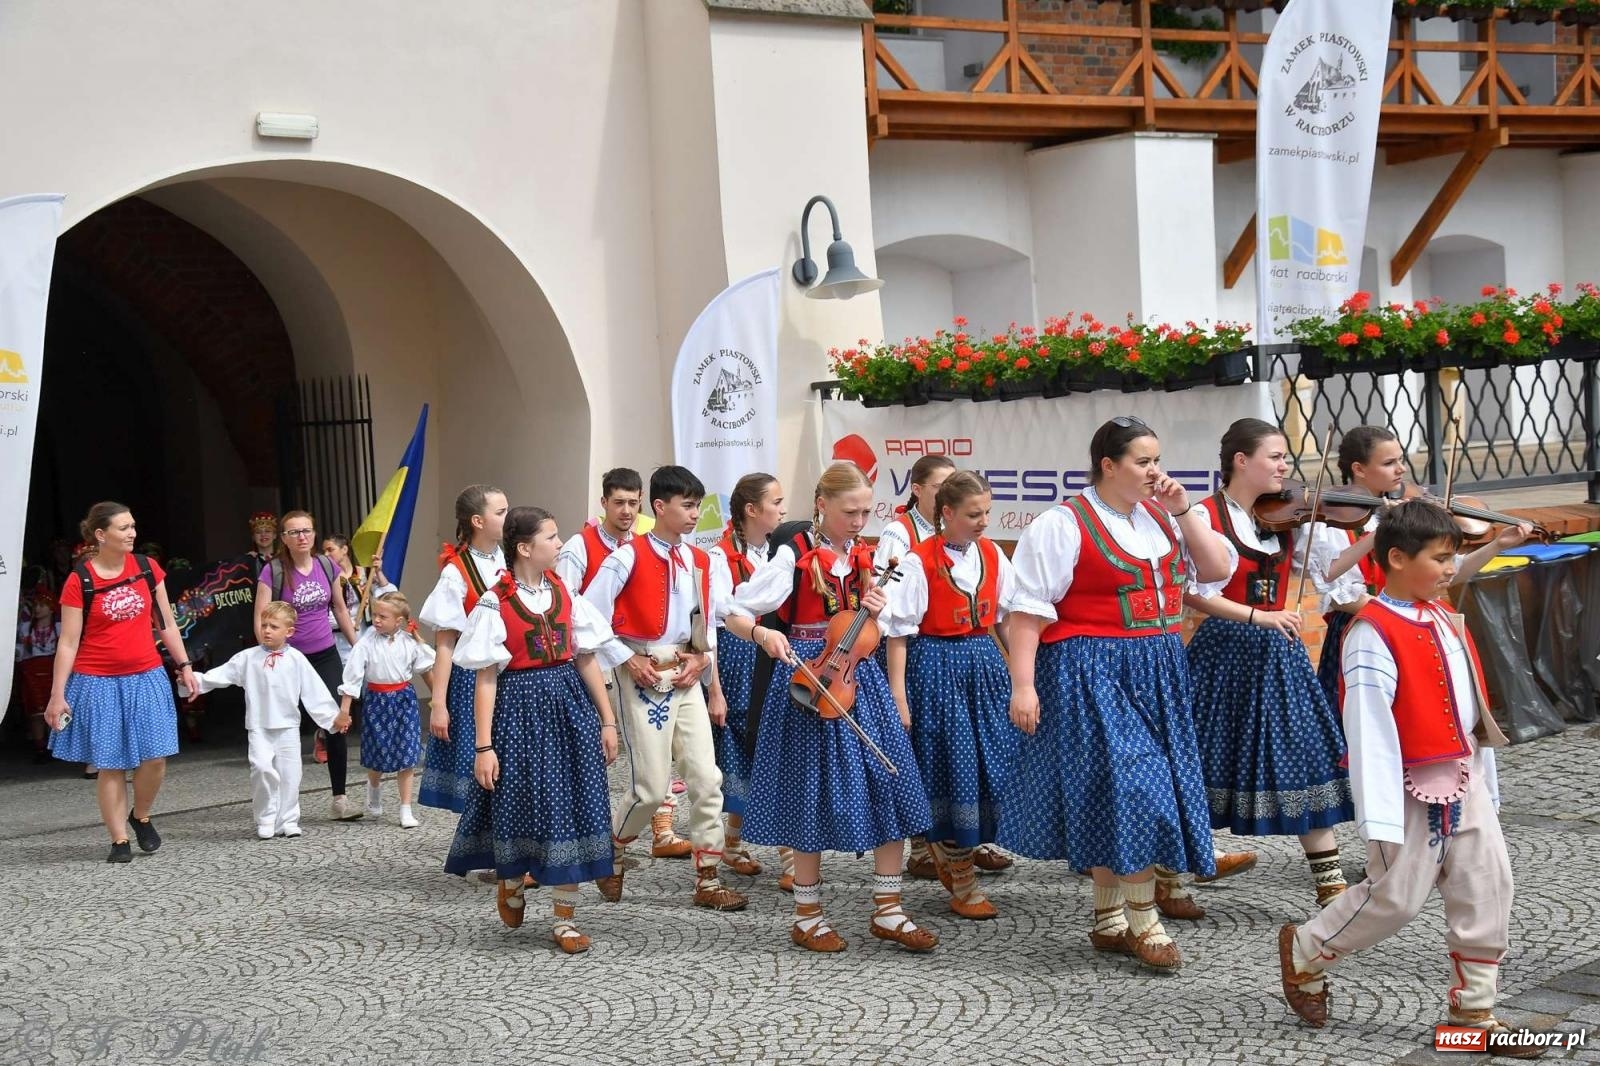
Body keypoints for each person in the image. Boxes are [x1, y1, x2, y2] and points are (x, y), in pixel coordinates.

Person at [1278, 502, 1538, 1057]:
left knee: (1489, 885)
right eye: (1441, 558)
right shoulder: (1371, 632)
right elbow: (1368, 727)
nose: (1451, 569)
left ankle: (1475, 1016)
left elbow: (1467, 715)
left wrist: (1484, 785)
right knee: (1395, 898)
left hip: (1462, 781)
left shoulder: (1443, 616)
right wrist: (1381, 819)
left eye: (1454, 557)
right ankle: (1308, 948)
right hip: (1407, 788)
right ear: (1396, 558)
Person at [998, 417, 1233, 973]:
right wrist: (1024, 685)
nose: (1156, 471)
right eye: (1143, 461)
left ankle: (1107, 918)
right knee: (1135, 783)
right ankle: (1145, 921)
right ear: (1109, 465)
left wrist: (1183, 511)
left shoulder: (1163, 518)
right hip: (1088, 668)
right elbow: (1027, 612)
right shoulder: (1063, 523)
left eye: (1157, 459)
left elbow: (1217, 569)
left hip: (1158, 667)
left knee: (1110, 789)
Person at [726, 461, 935, 954]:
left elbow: (887, 628)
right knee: (810, 796)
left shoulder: (869, 556)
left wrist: (877, 614)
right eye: (850, 512)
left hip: (863, 683)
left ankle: (889, 910)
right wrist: (763, 632)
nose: (860, 522)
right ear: (821, 505)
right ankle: (808, 916)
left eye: (866, 512)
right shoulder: (791, 553)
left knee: (892, 785)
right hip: (807, 684)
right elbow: (733, 610)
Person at [1182, 419, 1354, 915]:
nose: (1285, 466)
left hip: (1277, 653)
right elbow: (1192, 591)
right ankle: (1174, 874)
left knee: (1303, 754)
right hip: (1222, 650)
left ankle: (1331, 882)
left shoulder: (1290, 517)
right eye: (1275, 456)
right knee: (1198, 755)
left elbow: (1329, 573)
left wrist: (1369, 533)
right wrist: (1258, 615)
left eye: (1285, 458)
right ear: (1241, 460)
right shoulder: (1203, 515)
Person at [444, 507, 619, 953]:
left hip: (570, 711)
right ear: (525, 548)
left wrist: (608, 720)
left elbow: (586, 658)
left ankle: (564, 919)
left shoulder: (566, 593)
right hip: (518, 714)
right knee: (524, 803)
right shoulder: (495, 602)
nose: (561, 545)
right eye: (552, 537)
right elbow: (485, 677)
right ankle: (513, 881)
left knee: (573, 805)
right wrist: (484, 746)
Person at [584, 466, 747, 912]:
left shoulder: (702, 560)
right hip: (642, 673)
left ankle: (708, 879)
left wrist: (706, 667)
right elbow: (587, 616)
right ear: (660, 507)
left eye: (697, 505)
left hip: (687, 674)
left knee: (707, 778)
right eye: (688, 505)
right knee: (651, 790)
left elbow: (709, 622)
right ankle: (613, 850)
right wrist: (626, 658)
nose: (695, 514)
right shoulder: (626, 557)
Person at [885, 470, 1021, 920]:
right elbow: (899, 635)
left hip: (983, 665)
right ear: (946, 514)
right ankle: (959, 873)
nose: (984, 521)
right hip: (935, 667)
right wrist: (899, 697)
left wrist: (1022, 677)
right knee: (948, 765)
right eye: (973, 514)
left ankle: (956, 849)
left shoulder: (994, 556)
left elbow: (1004, 620)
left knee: (991, 761)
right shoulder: (917, 561)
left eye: (987, 512)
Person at [44, 502, 200, 862]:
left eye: (133, 526)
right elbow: (67, 642)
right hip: (97, 680)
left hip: (146, 675)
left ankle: (140, 815)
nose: (132, 533)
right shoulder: (80, 580)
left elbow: (166, 622)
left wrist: (185, 664)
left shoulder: (147, 568)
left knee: (156, 757)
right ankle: (119, 840)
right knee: (110, 762)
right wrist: (57, 694)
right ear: (101, 535)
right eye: (123, 528)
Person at [555, 466, 691, 860]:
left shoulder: (650, 546)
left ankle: (662, 829)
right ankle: (581, 835)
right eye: (619, 503)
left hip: (640, 655)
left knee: (656, 745)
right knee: (601, 749)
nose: (627, 511)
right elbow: (568, 605)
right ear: (604, 504)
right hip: (595, 661)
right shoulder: (579, 547)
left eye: (634, 502)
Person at [195, 601, 350, 838]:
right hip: (259, 726)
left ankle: (288, 819)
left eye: (273, 626)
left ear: (289, 632)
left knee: (290, 773)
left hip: (288, 725)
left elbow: (313, 691)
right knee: (261, 768)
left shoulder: (296, 659)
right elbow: (221, 675)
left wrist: (332, 718)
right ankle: (266, 817)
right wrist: (193, 682)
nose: (267, 630)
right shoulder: (248, 657)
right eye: (264, 625)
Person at [255, 509, 362, 821]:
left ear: (314, 534)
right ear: (284, 539)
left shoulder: (326, 565)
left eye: (306, 531)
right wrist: (268, 655)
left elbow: (340, 610)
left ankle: (340, 798)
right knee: (281, 728)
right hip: (289, 658)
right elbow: (262, 618)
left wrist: (359, 647)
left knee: (337, 722)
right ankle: (275, 803)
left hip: (325, 653)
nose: (301, 537)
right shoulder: (273, 571)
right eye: (293, 532)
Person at [706, 472, 786, 881]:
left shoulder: (778, 553)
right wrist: (714, 689)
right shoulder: (719, 558)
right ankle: (733, 847)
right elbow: (712, 628)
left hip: (771, 655)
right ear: (751, 510)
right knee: (738, 748)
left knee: (773, 746)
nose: (782, 509)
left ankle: (742, 846)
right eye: (776, 502)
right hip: (737, 659)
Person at [418, 484, 508, 815]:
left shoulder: (511, 555)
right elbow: (445, 643)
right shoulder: (458, 571)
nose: (507, 517)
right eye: (500, 512)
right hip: (472, 682)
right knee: (480, 768)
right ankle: (479, 851)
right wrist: (438, 703)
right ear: (477, 521)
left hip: (511, 675)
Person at [338, 591, 435, 827]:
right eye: (375, 615)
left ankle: (405, 808)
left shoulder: (410, 642)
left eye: (383, 616)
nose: (377, 620)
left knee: (408, 755)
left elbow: (425, 671)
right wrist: (345, 711)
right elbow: (352, 678)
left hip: (404, 701)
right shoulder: (366, 643)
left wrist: (437, 700)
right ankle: (373, 785)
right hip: (376, 701)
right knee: (377, 754)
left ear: (398, 621)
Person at [17, 589, 60, 763]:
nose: (38, 608)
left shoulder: (59, 628)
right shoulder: (27, 628)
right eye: (36, 605)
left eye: (42, 605)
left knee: (57, 708)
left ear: (51, 608)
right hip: (32, 670)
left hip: (53, 668)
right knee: (36, 711)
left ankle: (56, 746)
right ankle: (40, 748)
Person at [246, 512, 278, 578]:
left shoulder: (283, 558)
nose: (263, 535)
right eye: (258, 532)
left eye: (267, 531)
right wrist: (247, 560)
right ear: (253, 537)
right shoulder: (248, 561)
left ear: (274, 535)